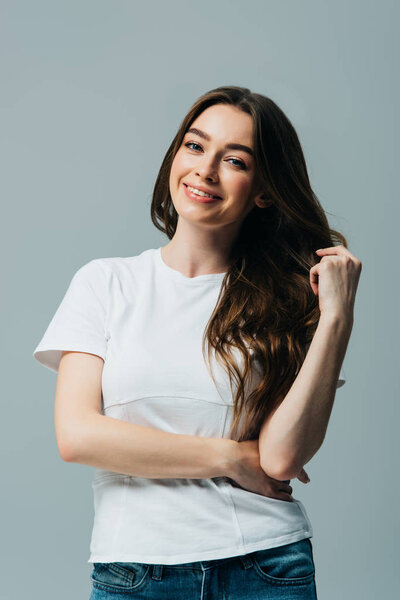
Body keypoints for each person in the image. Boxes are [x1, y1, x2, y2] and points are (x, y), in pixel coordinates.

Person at [33, 85, 361, 599]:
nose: (205, 170)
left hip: (268, 566)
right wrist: (230, 458)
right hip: (137, 570)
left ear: (264, 190)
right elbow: (78, 436)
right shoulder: (106, 283)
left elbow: (279, 460)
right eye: (194, 146)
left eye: (234, 160)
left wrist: (336, 320)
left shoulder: (288, 302)